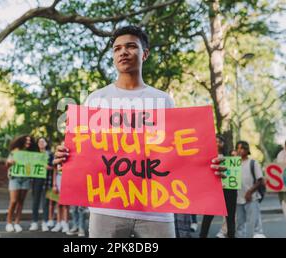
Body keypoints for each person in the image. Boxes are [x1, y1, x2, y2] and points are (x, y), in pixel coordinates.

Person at [53, 25, 227, 238]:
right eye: (117, 49)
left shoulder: (164, 100)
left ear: (144, 53)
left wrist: (207, 166)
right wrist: (66, 158)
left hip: (156, 210)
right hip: (106, 209)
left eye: (130, 46)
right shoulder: (96, 99)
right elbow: (85, 152)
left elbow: (177, 153)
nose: (123, 52)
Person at [200, 135, 237, 238]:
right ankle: (202, 235)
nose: (217, 143)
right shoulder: (206, 157)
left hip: (229, 190)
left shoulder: (230, 156)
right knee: (207, 216)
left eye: (219, 141)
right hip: (212, 191)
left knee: (230, 216)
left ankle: (231, 235)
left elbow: (236, 170)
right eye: (215, 141)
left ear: (223, 144)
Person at [5, 135, 37, 233]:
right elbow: (7, 164)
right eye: (26, 140)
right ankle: (9, 222)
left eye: (30, 141)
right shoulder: (15, 151)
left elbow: (33, 166)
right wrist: (10, 162)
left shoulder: (30, 153)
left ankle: (17, 222)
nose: (28, 142)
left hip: (26, 179)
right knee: (14, 201)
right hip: (15, 178)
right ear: (22, 141)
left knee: (21, 202)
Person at [235, 140, 266, 238]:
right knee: (239, 224)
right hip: (238, 198)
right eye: (238, 148)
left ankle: (258, 235)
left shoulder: (253, 163)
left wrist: (249, 192)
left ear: (247, 150)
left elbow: (259, 180)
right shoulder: (234, 163)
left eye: (242, 148)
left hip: (251, 197)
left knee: (255, 223)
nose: (240, 150)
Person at [29, 137, 54, 232]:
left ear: (46, 144)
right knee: (35, 202)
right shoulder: (34, 155)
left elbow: (54, 167)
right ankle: (34, 222)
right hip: (36, 181)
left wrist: (49, 167)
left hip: (47, 181)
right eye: (39, 141)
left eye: (43, 141)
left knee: (46, 203)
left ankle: (45, 222)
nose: (41, 143)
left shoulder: (50, 155)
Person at [51, 141, 70, 233]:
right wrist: (54, 184)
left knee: (66, 204)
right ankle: (58, 223)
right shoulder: (57, 157)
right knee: (58, 203)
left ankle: (65, 223)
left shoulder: (71, 156)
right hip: (58, 180)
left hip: (67, 180)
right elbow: (54, 171)